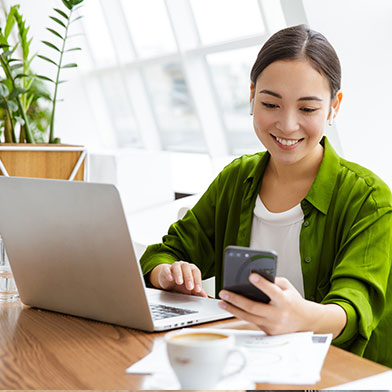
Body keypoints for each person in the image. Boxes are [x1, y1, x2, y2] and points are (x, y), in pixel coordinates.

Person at [139, 24, 392, 367]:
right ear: (251, 96)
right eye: (271, 104)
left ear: (334, 107)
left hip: (337, 373)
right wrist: (168, 274)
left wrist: (299, 316)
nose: (287, 125)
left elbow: (353, 306)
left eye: (307, 109)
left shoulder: (369, 199)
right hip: (243, 366)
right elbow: (163, 254)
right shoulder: (236, 179)